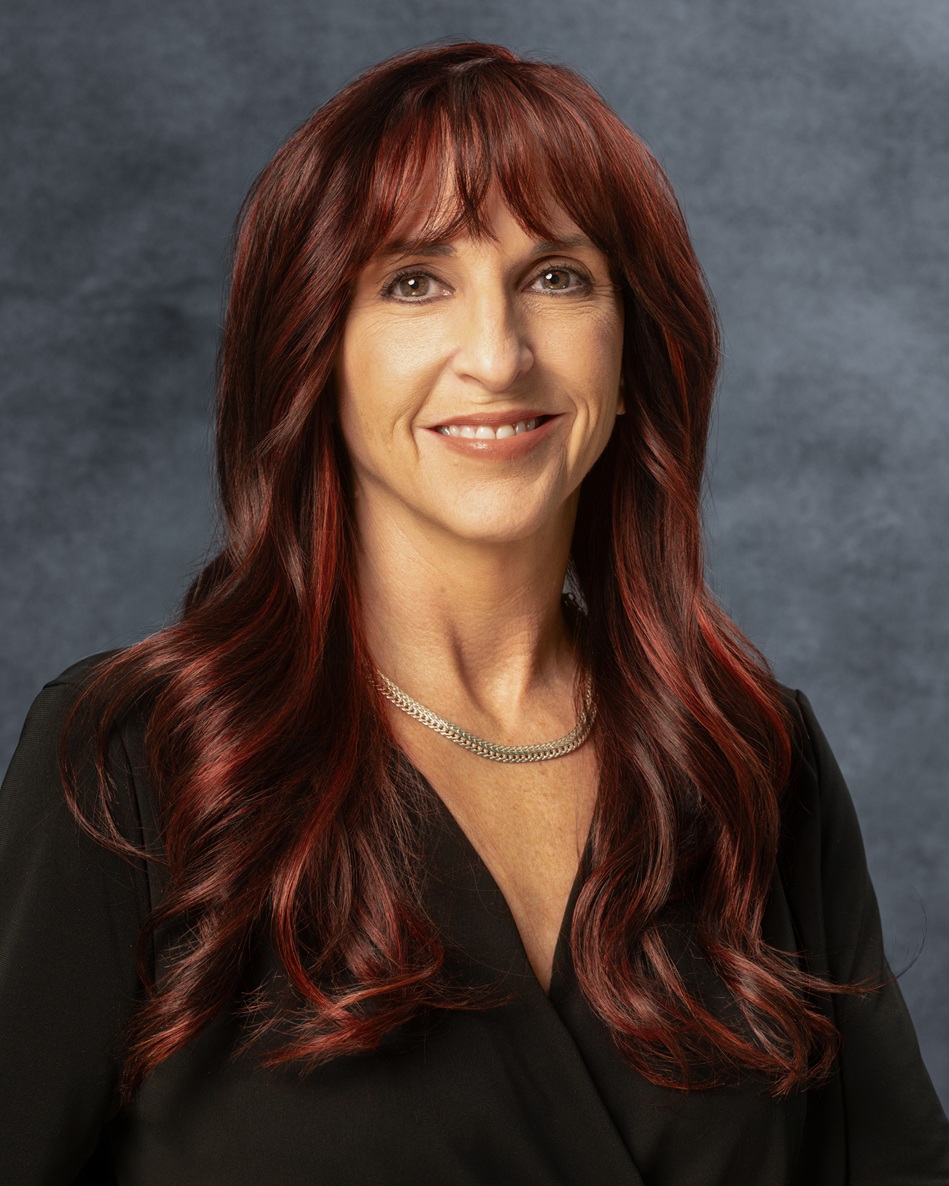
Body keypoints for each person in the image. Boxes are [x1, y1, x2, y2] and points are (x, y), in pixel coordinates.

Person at [1, 40, 947, 1186]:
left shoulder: (752, 755)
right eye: (414, 281)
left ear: (633, 335)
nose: (497, 356)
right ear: (313, 346)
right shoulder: (132, 761)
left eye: (557, 275)